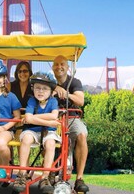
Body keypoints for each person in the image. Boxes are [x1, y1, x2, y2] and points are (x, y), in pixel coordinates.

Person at [13, 72, 60, 194]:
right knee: (26, 138)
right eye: (38, 88)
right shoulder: (32, 101)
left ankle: (45, 176)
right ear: (33, 89)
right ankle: (22, 173)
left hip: (48, 132)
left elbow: (54, 115)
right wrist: (49, 122)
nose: (41, 91)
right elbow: (28, 119)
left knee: (50, 143)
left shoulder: (53, 101)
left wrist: (34, 117)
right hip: (33, 130)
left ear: (51, 91)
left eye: (45, 89)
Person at [52, 55, 89, 193]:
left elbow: (80, 101)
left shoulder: (74, 82)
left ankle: (79, 178)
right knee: (45, 137)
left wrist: (66, 94)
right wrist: (54, 88)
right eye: (56, 64)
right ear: (52, 67)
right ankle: (50, 173)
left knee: (81, 135)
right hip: (53, 118)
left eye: (62, 64)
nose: (59, 67)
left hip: (71, 117)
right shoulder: (49, 83)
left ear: (68, 67)